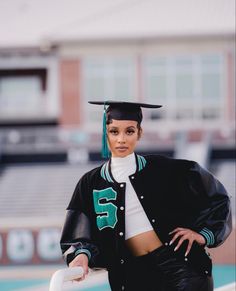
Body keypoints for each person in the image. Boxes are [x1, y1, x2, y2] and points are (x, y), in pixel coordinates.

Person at [60, 101, 232, 291]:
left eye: (130, 131)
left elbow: (217, 198)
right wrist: (81, 255)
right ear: (105, 133)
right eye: (114, 131)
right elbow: (78, 234)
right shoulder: (89, 183)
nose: (121, 139)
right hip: (133, 276)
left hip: (182, 267)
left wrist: (203, 235)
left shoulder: (165, 169)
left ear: (139, 133)